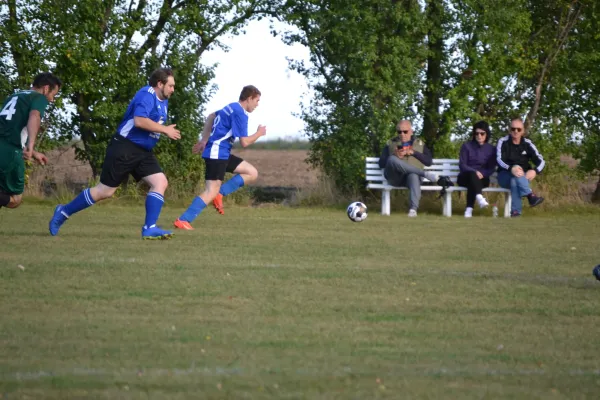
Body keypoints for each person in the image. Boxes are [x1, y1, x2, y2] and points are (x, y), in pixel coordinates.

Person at [49, 68, 181, 239]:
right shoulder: (147, 94)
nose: (173, 89)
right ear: (160, 84)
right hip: (125, 147)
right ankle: (63, 211)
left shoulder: (163, 100)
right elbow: (139, 121)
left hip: (143, 152)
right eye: (170, 86)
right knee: (105, 191)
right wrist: (164, 130)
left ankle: (150, 228)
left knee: (160, 182)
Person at [173, 85, 266, 230]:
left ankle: (220, 194)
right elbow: (244, 142)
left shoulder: (231, 106)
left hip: (221, 152)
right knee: (211, 190)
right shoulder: (239, 113)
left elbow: (211, 116)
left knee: (251, 172)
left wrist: (204, 139)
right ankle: (183, 220)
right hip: (217, 153)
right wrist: (259, 133)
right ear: (249, 99)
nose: (257, 105)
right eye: (257, 101)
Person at [0, 72, 61, 210]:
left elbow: (8, 129)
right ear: (46, 88)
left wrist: (33, 152)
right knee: (15, 199)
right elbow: (35, 116)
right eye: (53, 94)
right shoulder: (39, 98)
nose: (52, 99)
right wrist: (31, 145)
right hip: (11, 153)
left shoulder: (14, 96)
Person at [378, 120, 440, 217]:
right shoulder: (390, 143)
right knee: (391, 159)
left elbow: (428, 161)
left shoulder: (419, 143)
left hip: (411, 179)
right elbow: (381, 163)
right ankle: (425, 174)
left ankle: (413, 210)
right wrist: (394, 154)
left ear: (411, 131)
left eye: (405, 131)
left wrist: (413, 152)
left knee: (413, 175)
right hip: (395, 178)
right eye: (399, 132)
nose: (402, 134)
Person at [496, 117, 545, 217]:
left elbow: (541, 161)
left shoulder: (528, 144)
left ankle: (515, 213)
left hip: (522, 177)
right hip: (504, 175)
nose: (515, 131)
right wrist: (511, 168)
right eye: (513, 129)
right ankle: (530, 195)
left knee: (515, 180)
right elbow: (499, 160)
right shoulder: (502, 142)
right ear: (509, 130)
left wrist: (535, 171)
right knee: (516, 170)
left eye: (519, 129)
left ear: (523, 131)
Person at [457, 121, 497, 218]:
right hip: (465, 177)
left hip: (482, 178)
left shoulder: (491, 149)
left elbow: (491, 167)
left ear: (486, 134)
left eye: (482, 133)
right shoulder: (466, 146)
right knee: (472, 175)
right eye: (476, 133)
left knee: (473, 182)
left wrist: (482, 173)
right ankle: (479, 197)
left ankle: (469, 209)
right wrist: (475, 172)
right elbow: (462, 165)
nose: (479, 136)